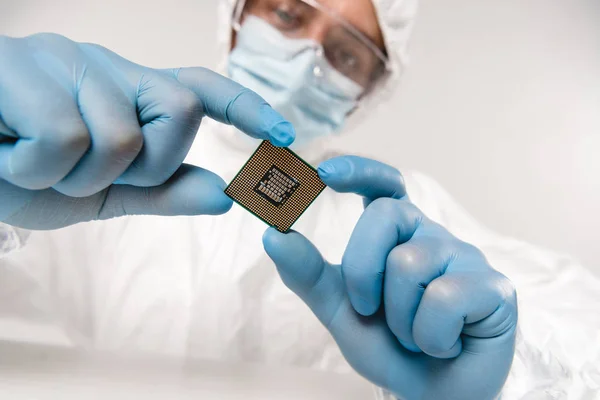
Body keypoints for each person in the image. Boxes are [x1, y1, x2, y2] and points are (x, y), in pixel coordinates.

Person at [0, 0, 599, 399]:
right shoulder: (102, 153)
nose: (308, 57)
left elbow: (578, 324)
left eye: (345, 54)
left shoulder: (397, 213)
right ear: (235, 15)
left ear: (370, 90)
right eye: (288, 13)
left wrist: (506, 371)